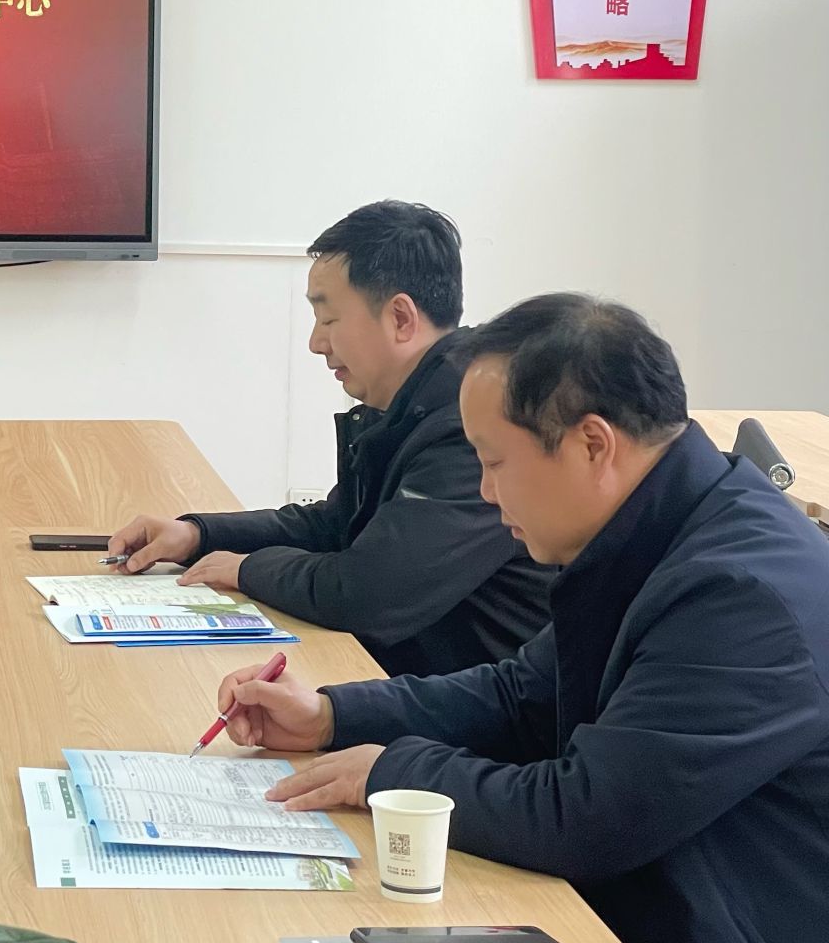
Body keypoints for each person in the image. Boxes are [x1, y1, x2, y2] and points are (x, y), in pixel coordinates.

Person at [216, 295, 829, 943]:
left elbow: (588, 819)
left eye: (494, 461)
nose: (484, 490)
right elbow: (522, 695)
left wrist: (391, 773)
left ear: (593, 445)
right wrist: (332, 715)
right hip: (649, 922)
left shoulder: (741, 595)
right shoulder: (663, 525)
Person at [107, 201, 551, 675]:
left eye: (329, 319)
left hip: (471, 704)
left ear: (401, 318)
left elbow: (370, 593)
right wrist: (198, 534)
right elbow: (337, 525)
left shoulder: (471, 426)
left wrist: (246, 569)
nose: (316, 343)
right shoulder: (413, 402)